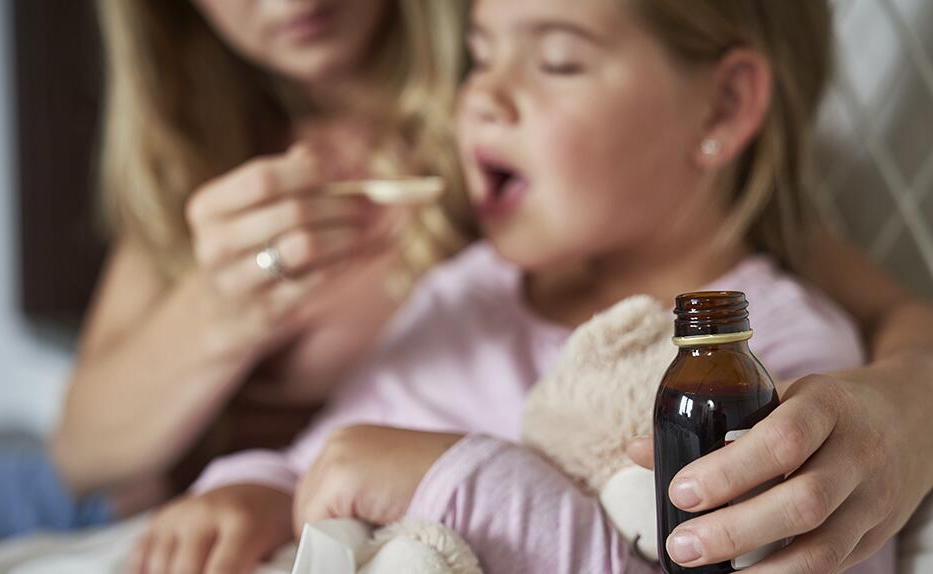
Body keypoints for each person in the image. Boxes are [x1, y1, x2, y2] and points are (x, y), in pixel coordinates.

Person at [128, 0, 928, 573]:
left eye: (557, 62)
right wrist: (251, 495)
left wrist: (456, 481)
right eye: (479, 55)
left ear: (724, 106)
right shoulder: (465, 296)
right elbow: (327, 458)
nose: (481, 96)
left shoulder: (765, 361)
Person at [0, 0, 474, 539]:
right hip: (100, 504)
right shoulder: (202, 151)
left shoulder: (491, 140)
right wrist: (225, 307)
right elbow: (78, 452)